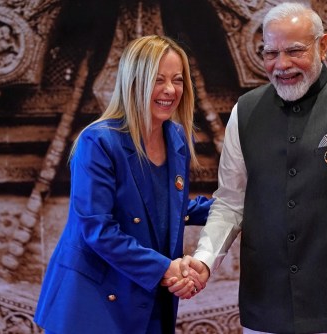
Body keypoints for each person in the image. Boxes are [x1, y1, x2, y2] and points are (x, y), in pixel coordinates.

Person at [167, 2, 327, 334]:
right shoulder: (244, 112)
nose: (281, 65)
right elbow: (230, 202)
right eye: (270, 53)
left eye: (295, 51)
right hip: (265, 311)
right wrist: (204, 260)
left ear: (324, 46)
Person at [34, 35, 213, 334]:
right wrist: (166, 269)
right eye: (158, 80)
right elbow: (98, 229)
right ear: (134, 82)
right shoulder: (97, 141)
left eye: (178, 80)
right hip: (92, 305)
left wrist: (236, 208)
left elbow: (165, 207)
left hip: (148, 299)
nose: (170, 90)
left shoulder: (177, 137)